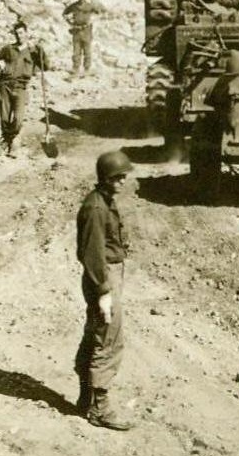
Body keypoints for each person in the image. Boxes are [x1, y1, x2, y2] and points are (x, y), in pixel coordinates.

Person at [74, 149, 134, 430]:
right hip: (103, 278)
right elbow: (93, 253)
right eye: (118, 177)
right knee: (108, 339)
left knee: (96, 334)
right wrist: (104, 292)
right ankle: (99, 407)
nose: (123, 182)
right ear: (106, 178)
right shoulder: (96, 208)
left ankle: (86, 397)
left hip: (106, 276)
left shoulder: (104, 201)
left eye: (124, 177)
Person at [0, 22, 48, 158]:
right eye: (16, 33)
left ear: (26, 33)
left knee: (18, 118)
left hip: (21, 87)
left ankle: (13, 138)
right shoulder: (8, 48)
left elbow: (45, 65)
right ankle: (6, 141)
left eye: (21, 33)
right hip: (5, 85)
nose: (19, 36)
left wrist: (39, 51)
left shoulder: (33, 51)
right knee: (4, 116)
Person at [63, 0, 100, 74]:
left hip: (87, 30)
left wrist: (92, 20)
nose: (81, 0)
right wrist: (70, 22)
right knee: (76, 51)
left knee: (87, 51)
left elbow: (99, 13)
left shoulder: (90, 6)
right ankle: (76, 68)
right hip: (76, 30)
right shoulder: (74, 6)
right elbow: (64, 13)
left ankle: (87, 69)